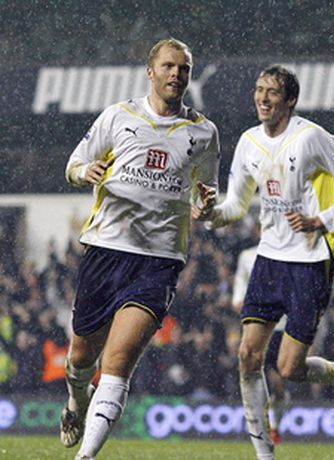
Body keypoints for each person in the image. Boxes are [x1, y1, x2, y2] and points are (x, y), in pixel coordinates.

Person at [197, 65, 334, 460]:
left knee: (290, 368)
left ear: (290, 100)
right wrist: (209, 213)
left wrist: (321, 220)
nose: (263, 98)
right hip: (269, 260)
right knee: (247, 356)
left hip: (309, 262)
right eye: (259, 90)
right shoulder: (248, 142)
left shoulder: (311, 137)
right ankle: (264, 455)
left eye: (272, 92)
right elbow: (236, 206)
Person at [61, 38, 220, 460]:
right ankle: (76, 400)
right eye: (168, 66)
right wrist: (86, 171)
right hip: (106, 250)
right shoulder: (119, 116)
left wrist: (206, 204)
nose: (176, 74)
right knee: (81, 356)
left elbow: (207, 191)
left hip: (159, 261)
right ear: (150, 72)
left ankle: (86, 456)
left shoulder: (203, 132)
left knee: (118, 361)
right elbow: (73, 165)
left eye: (184, 68)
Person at [231, 237, 289, 446]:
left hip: (282, 326)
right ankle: (261, 428)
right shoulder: (248, 255)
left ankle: (275, 426)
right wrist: (238, 299)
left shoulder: (287, 252)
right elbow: (241, 280)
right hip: (256, 322)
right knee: (256, 372)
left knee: (278, 383)